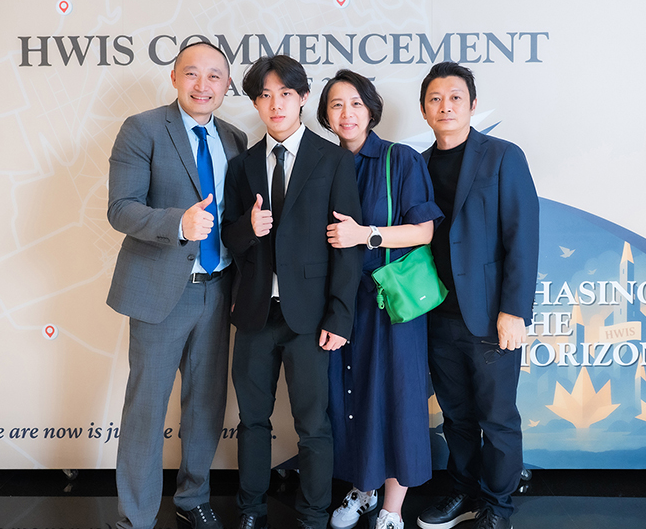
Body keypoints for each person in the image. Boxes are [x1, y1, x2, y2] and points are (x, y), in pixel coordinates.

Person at [106, 41, 248, 529]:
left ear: (227, 85)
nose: (203, 85)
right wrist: (178, 224)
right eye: (192, 73)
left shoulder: (234, 138)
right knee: (146, 408)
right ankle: (136, 517)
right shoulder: (142, 128)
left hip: (219, 290)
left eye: (214, 76)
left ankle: (193, 497)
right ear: (174, 78)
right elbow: (120, 208)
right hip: (160, 291)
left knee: (206, 405)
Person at [221, 55, 363, 529]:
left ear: (303, 97)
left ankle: (314, 515)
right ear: (256, 104)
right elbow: (229, 238)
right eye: (265, 95)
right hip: (255, 315)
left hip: (312, 318)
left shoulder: (333, 160)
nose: (275, 104)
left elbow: (347, 247)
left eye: (285, 94)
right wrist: (249, 227)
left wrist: (340, 316)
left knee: (313, 425)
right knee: (252, 421)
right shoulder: (242, 166)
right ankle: (250, 510)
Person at [318, 70, 444, 529]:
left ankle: (392, 507)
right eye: (336, 105)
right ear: (325, 115)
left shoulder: (399, 159)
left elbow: (423, 231)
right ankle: (363, 488)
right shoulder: (321, 163)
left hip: (391, 302)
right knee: (349, 398)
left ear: (371, 110)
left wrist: (365, 235)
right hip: (339, 305)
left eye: (355, 103)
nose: (346, 113)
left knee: (396, 397)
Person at [415, 62, 539, 529]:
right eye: (435, 98)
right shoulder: (419, 165)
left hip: (489, 316)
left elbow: (522, 236)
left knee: (498, 418)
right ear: (424, 109)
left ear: (471, 104)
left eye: (455, 97)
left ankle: (498, 506)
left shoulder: (503, 156)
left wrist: (514, 310)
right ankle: (463, 491)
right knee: (456, 417)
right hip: (437, 315)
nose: (445, 106)